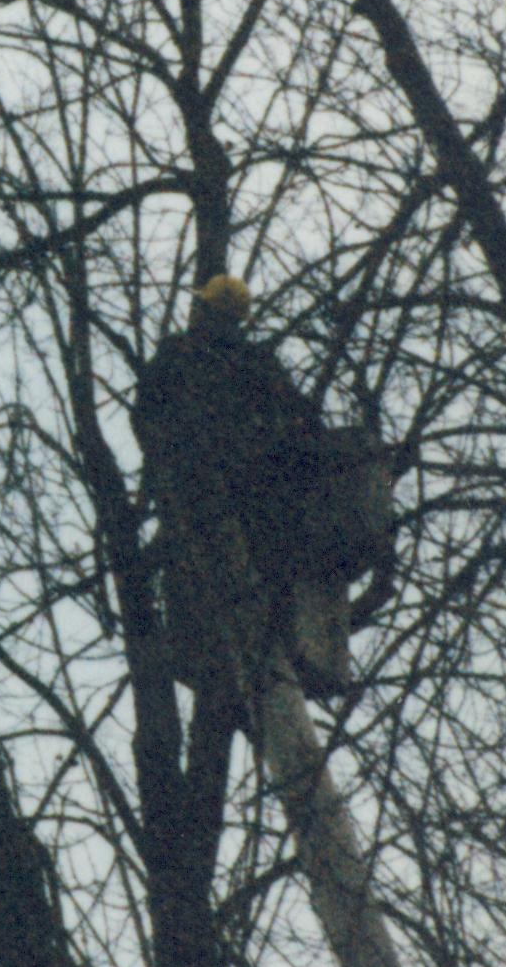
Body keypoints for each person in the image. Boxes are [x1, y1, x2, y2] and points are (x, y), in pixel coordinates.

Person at [135, 274, 400, 699]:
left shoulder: (181, 356)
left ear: (205, 311)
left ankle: (281, 643)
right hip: (246, 495)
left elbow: (146, 422)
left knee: (256, 574)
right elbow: (304, 421)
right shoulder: (253, 362)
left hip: (231, 495)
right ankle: (288, 641)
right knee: (271, 562)